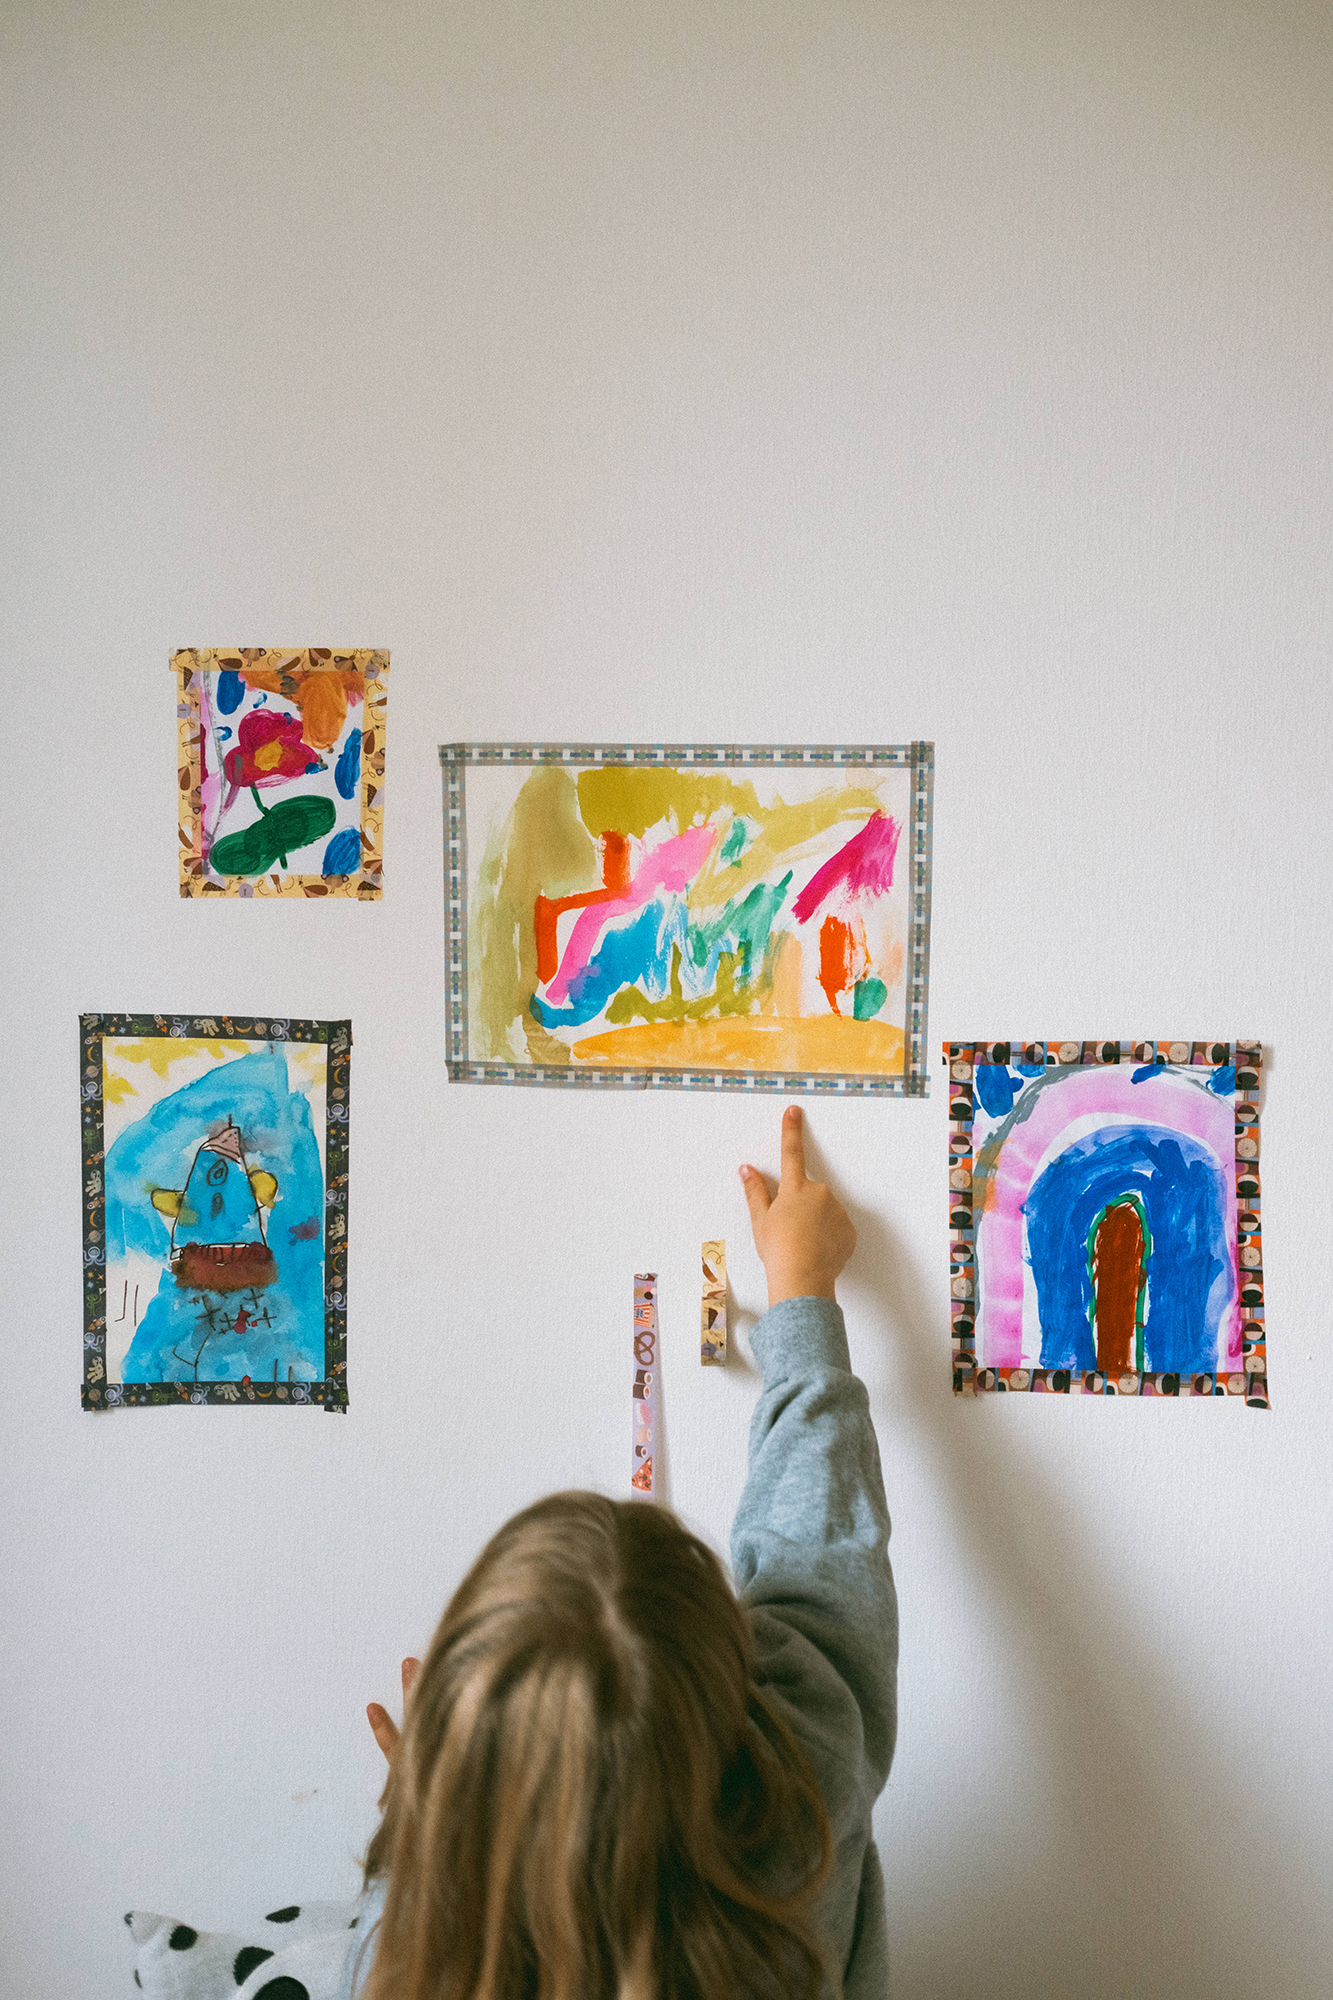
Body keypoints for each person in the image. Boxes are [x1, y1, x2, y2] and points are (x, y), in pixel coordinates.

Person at [341, 1105, 897, 2000]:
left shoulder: (418, 1941)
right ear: (739, 1669)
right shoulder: (808, 1790)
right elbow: (820, 1555)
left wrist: (425, 1820)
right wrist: (802, 1296)